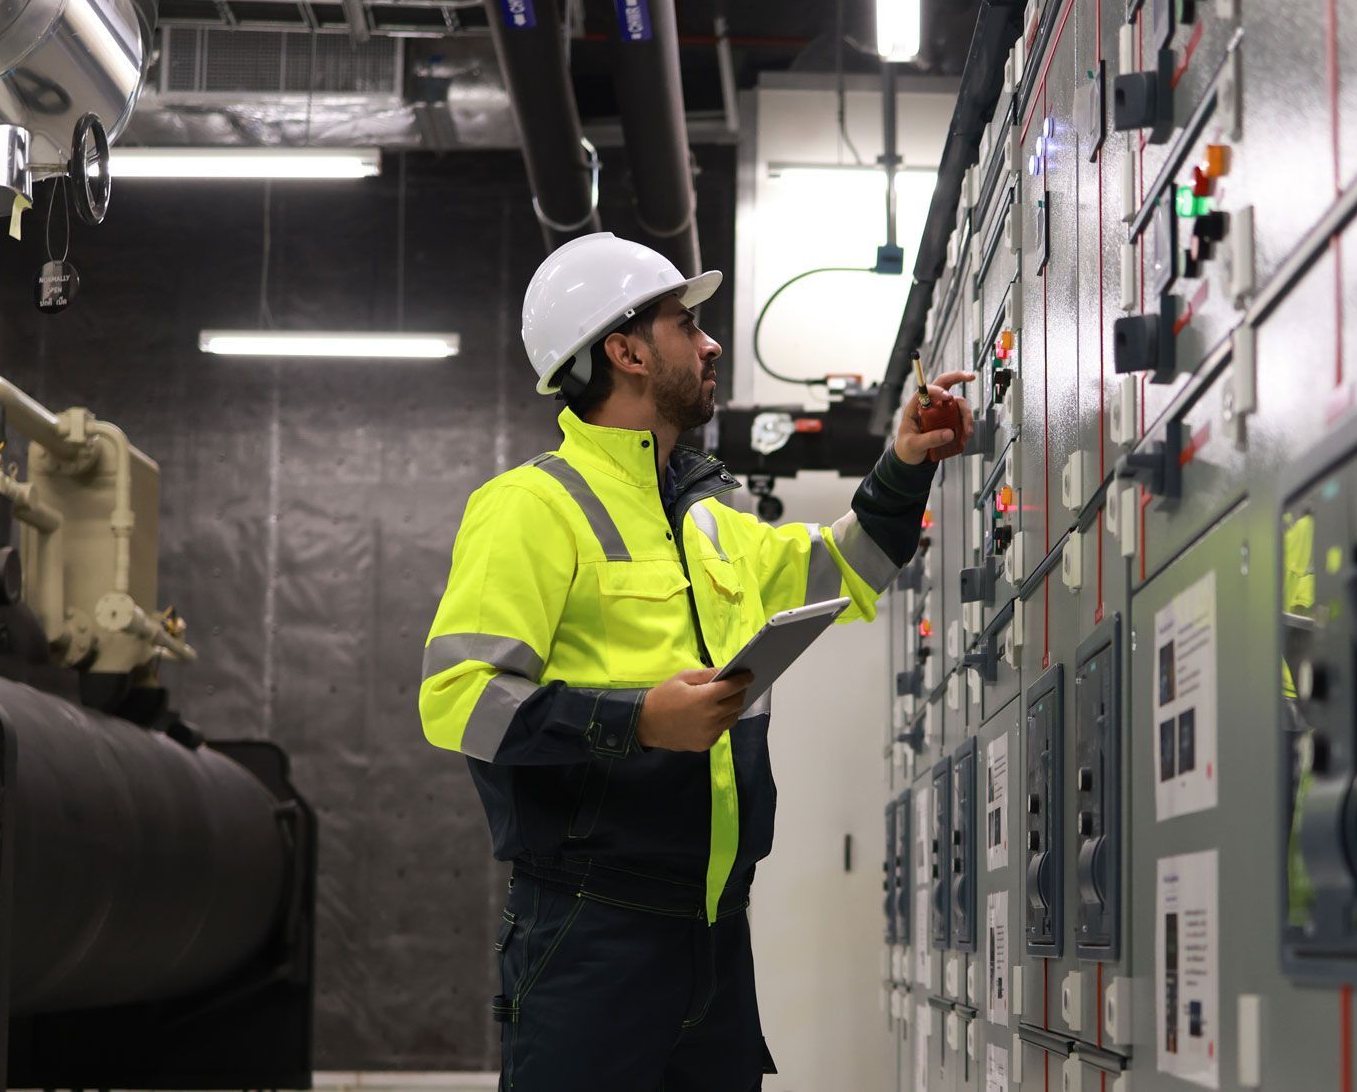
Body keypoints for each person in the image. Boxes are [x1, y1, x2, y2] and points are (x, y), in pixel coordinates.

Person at [417, 232, 973, 1090]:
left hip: (713, 932)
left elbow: (848, 565)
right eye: (687, 323)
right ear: (626, 350)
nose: (711, 343)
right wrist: (636, 718)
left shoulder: (710, 518)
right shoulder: (530, 505)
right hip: (589, 931)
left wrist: (903, 462)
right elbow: (460, 700)